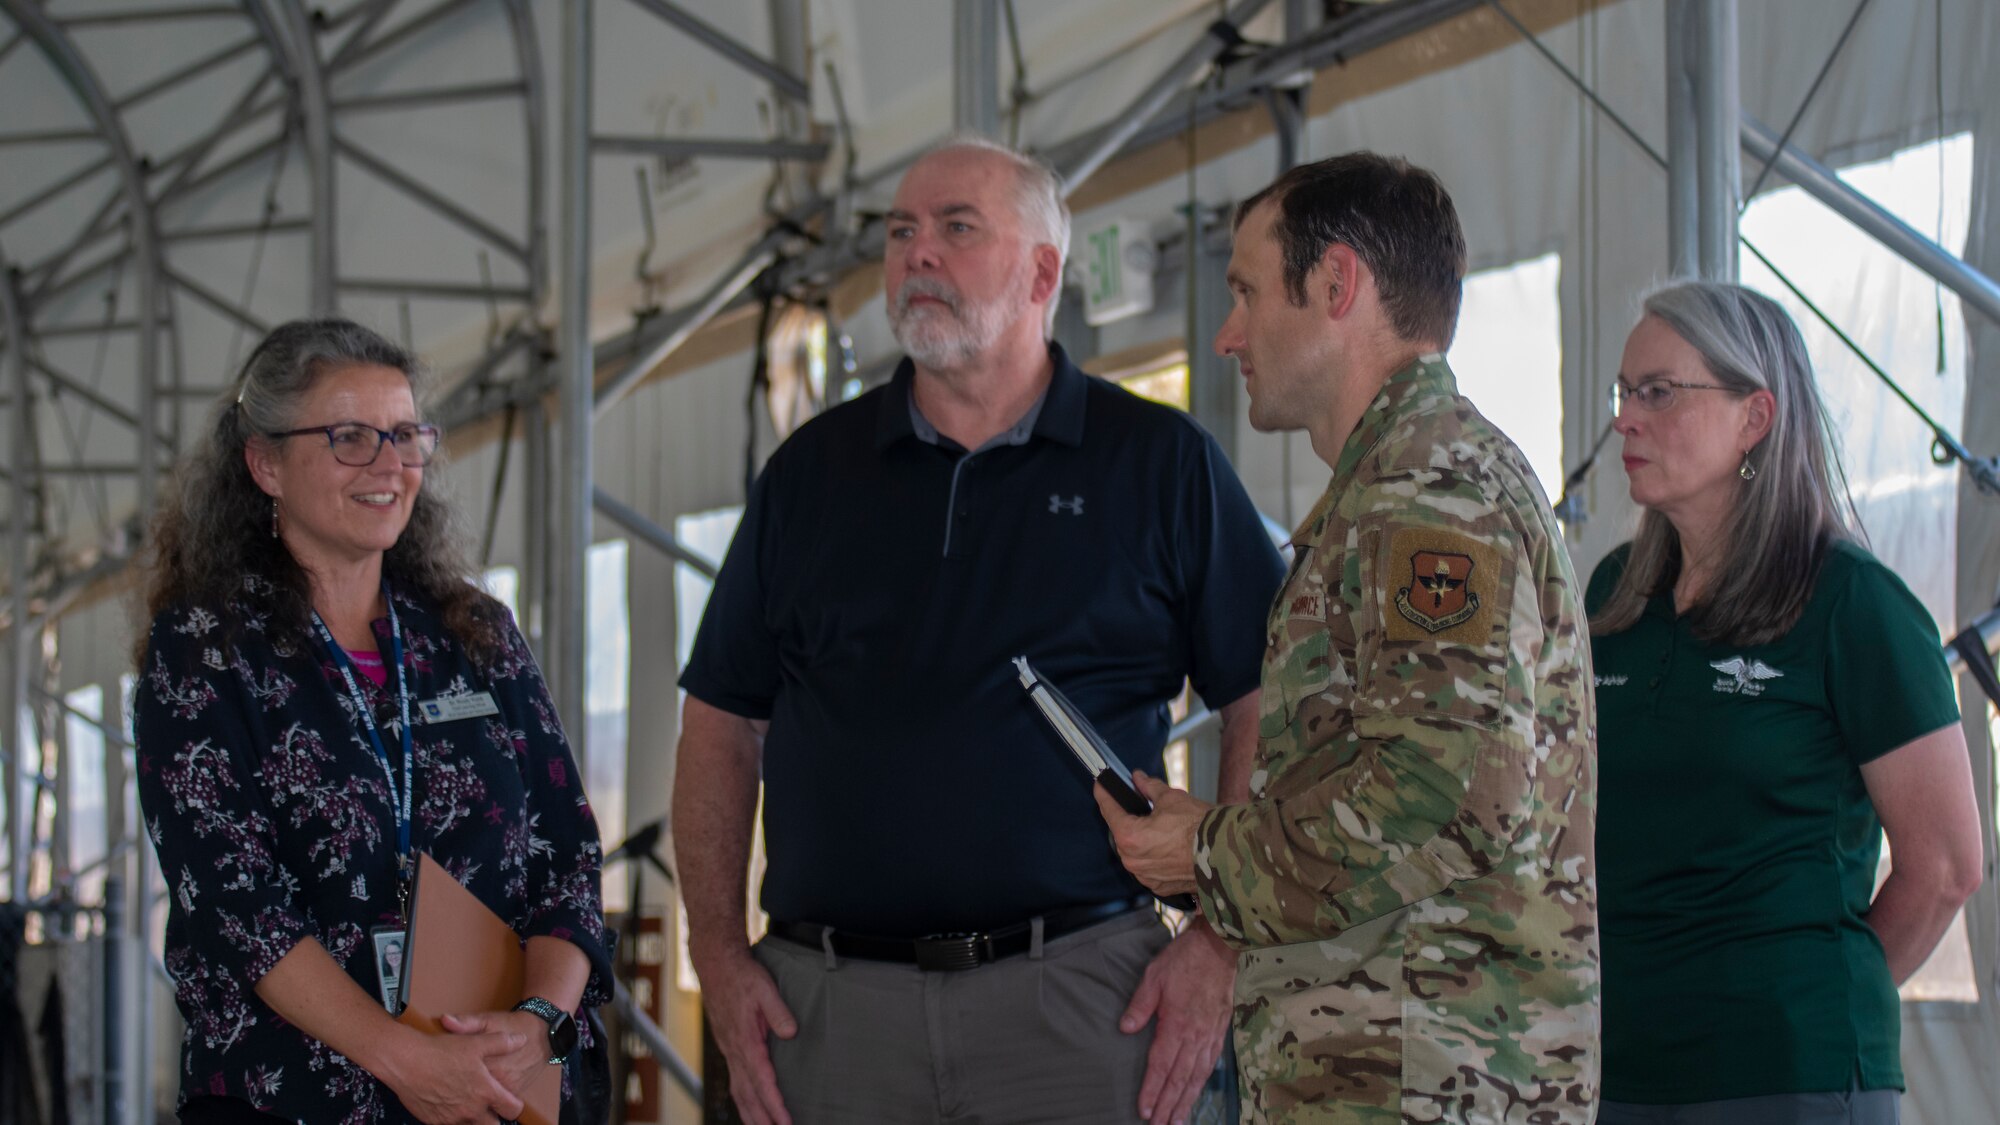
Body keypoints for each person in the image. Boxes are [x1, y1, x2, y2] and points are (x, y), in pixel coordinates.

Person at [672, 135, 1285, 1125]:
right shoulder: (808, 476)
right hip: (828, 1013)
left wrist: (1220, 941)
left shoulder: (1159, 464)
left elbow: (1268, 697)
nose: (918, 253)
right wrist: (714, 948)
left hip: (1084, 1004)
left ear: (1044, 270)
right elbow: (719, 726)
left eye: (957, 229)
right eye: (901, 232)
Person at [1097, 152, 1599, 1123]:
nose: (1226, 333)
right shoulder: (1384, 490)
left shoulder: (1428, 490)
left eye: (1245, 291)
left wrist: (1205, 852)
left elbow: (1444, 796)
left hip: (1431, 1077)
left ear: (1335, 285)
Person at [134, 319, 612, 1124]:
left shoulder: (477, 636)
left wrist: (540, 1025)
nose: (389, 463)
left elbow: (567, 857)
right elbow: (237, 905)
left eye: (404, 434)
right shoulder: (206, 653)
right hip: (293, 1100)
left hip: (497, 1096)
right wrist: (409, 1062)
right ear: (265, 463)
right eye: (350, 437)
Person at [1586, 281, 1983, 1125]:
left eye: (1659, 391)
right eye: (1624, 392)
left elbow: (1946, 865)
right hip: (1620, 1070)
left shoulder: (1853, 603)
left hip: (1788, 1071)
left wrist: (1802, 990)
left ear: (1754, 418)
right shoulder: (1613, 595)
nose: (1626, 418)